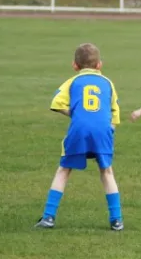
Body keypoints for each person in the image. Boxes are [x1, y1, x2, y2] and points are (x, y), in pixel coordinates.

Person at [35, 43, 123, 231]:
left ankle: (49, 217)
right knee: (106, 171)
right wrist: (110, 130)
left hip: (79, 130)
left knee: (64, 170)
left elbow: (56, 103)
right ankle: (117, 220)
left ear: (74, 65)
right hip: (103, 131)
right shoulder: (108, 82)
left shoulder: (73, 82)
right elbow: (115, 111)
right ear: (100, 64)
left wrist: (77, 114)